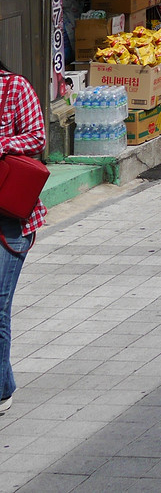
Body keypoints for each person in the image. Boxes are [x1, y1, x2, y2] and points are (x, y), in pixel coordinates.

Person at [0, 63, 46, 412]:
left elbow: (36, 137)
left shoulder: (15, 88)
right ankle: (5, 381)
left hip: (10, 221)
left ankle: (1, 392)